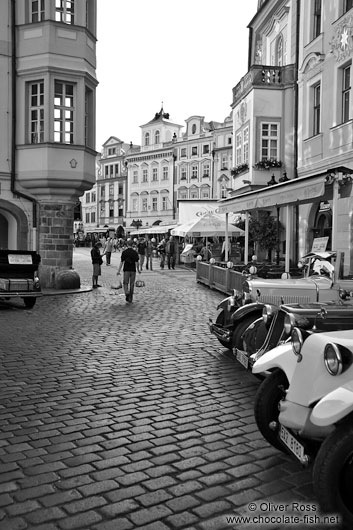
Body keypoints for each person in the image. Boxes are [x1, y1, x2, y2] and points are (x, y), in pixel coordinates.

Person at [116, 239, 141, 303]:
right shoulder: (135, 252)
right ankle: (130, 298)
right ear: (132, 245)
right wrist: (138, 269)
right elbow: (137, 262)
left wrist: (118, 271)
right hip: (133, 270)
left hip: (126, 269)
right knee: (132, 284)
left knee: (125, 282)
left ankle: (126, 292)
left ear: (127, 244)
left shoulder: (124, 252)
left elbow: (121, 262)